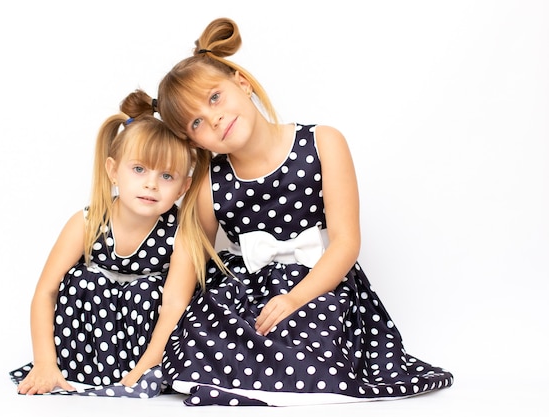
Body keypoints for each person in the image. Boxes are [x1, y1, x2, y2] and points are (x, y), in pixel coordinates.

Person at [141, 17, 454, 406]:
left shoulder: (322, 142)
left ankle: (305, 377)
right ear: (193, 141)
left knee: (306, 331)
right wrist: (151, 359)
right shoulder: (209, 183)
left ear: (242, 82)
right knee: (203, 332)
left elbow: (345, 244)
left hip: (320, 286)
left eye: (215, 97)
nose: (214, 117)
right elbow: (181, 279)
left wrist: (294, 298)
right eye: (197, 122)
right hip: (252, 294)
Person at [9, 90, 208, 398]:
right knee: (82, 278)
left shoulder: (181, 231)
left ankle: (140, 365)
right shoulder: (87, 222)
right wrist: (45, 362)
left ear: (183, 187)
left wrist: (146, 369)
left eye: (166, 175)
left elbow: (173, 307)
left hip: (146, 350)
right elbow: (45, 292)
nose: (151, 184)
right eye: (139, 169)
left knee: (147, 290)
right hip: (82, 352)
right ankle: (69, 365)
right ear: (114, 171)